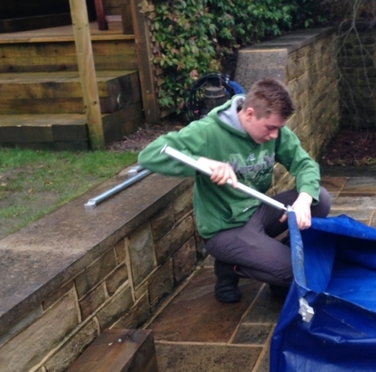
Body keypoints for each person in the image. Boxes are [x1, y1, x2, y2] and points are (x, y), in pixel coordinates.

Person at [138, 77, 331, 303]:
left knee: (320, 200)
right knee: (292, 270)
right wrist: (204, 163)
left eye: (279, 128)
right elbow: (149, 155)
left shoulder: (274, 132)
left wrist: (304, 199)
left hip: (257, 211)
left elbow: (305, 164)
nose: (275, 136)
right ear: (249, 114)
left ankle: (273, 265)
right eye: (270, 128)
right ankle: (232, 267)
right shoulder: (208, 132)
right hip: (225, 228)